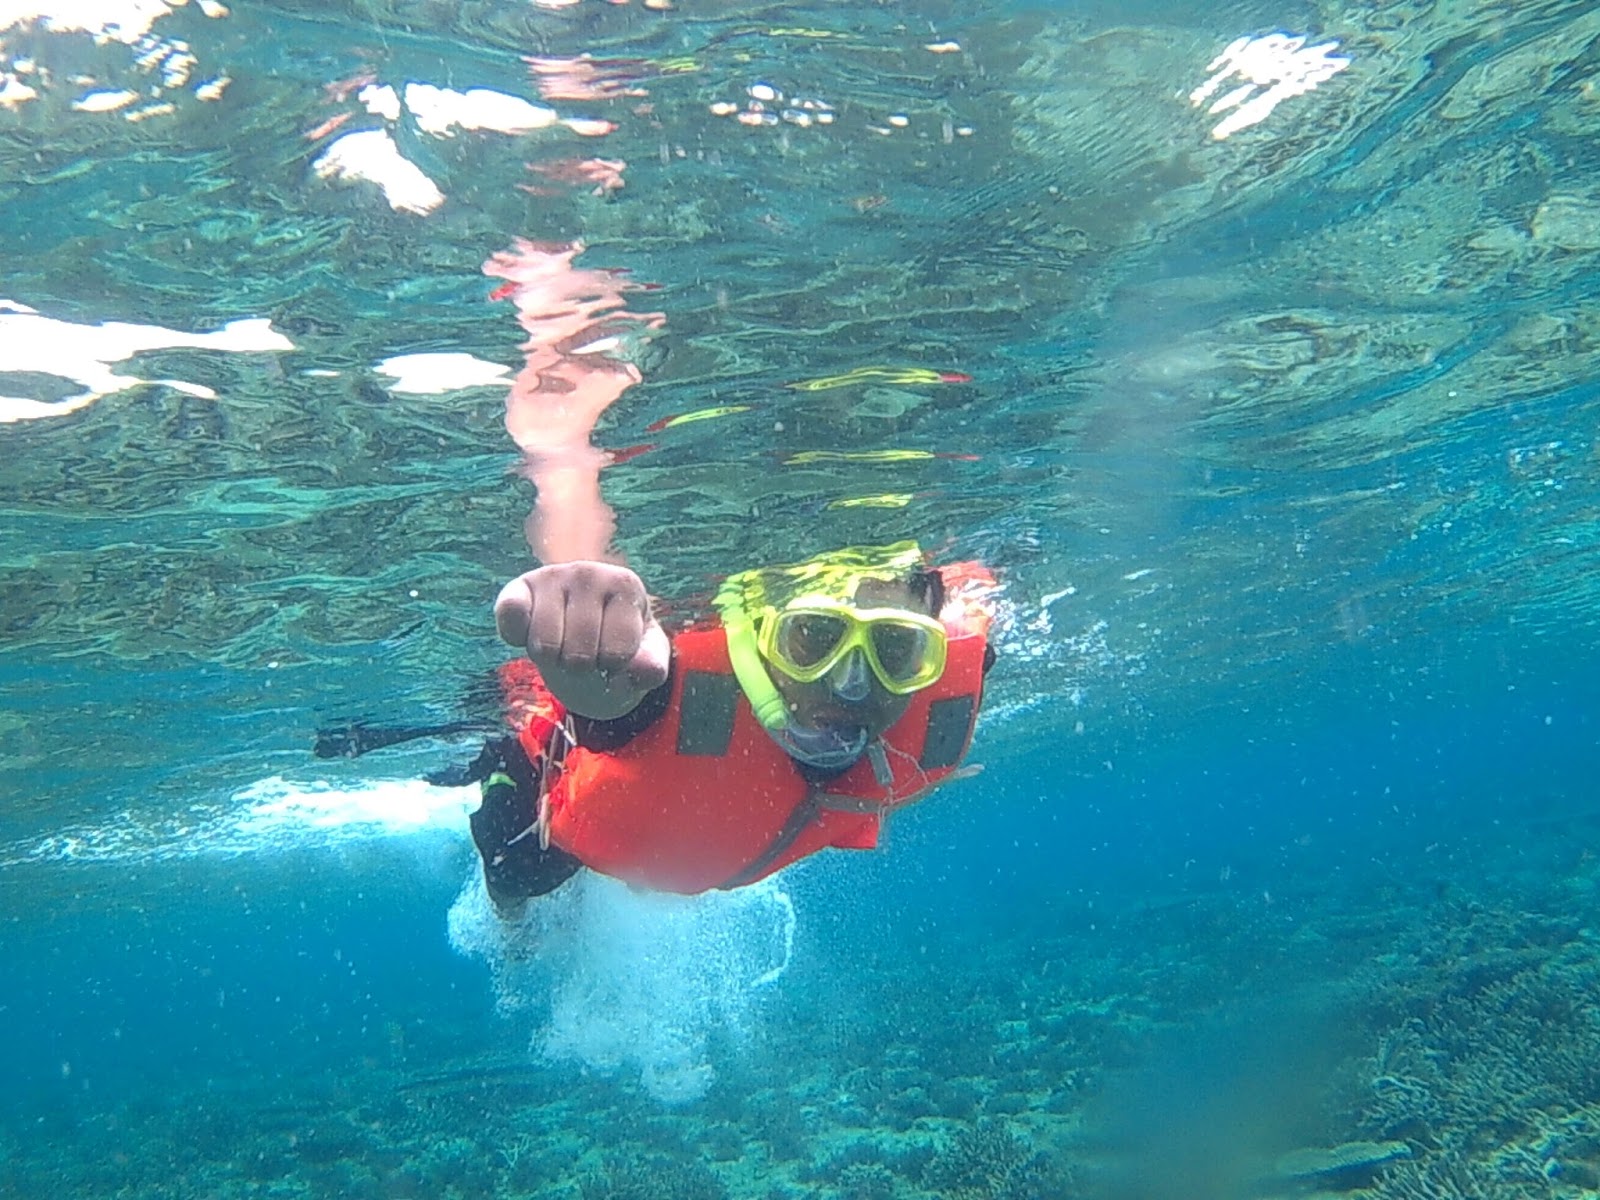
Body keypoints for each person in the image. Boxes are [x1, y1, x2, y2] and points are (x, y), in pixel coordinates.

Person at [463, 542, 996, 909]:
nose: (852, 685)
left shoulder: (931, 709)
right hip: (568, 806)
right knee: (517, 877)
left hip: (679, 837)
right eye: (812, 637)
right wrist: (591, 673)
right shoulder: (678, 692)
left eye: (896, 647)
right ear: (760, 640)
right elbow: (616, 714)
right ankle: (499, 771)